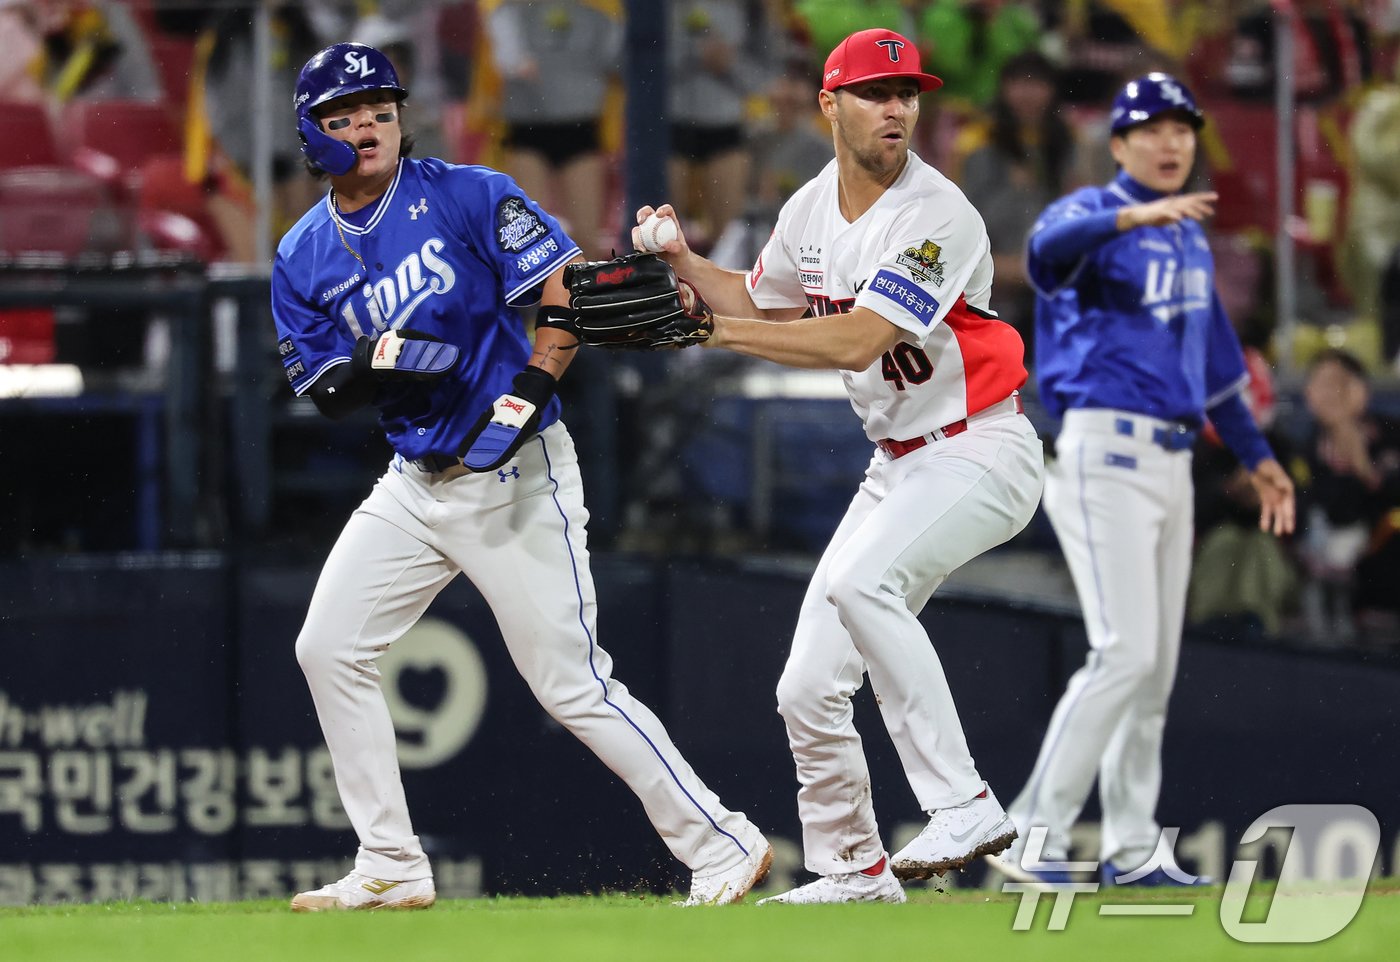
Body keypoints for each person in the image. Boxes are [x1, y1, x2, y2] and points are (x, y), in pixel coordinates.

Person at [270, 42, 771, 912]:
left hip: (515, 469)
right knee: (328, 647)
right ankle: (391, 861)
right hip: (416, 480)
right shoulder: (301, 253)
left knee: (571, 684)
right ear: (313, 134)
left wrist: (531, 388)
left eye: (380, 110)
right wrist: (374, 358)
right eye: (346, 115)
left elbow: (565, 293)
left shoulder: (469, 194)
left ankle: (723, 842)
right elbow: (326, 392)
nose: (368, 126)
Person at [622, 28, 1045, 904]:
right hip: (898, 463)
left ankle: (963, 802)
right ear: (830, 105)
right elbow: (762, 296)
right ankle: (853, 867)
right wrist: (686, 266)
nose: (896, 108)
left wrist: (717, 331)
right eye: (874, 92)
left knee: (863, 589)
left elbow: (859, 337)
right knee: (807, 686)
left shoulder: (939, 213)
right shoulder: (812, 208)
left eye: (908, 93)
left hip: (980, 446)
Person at [991, 73, 1296, 886]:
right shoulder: (1087, 214)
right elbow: (1044, 260)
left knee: (1153, 669)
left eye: (1181, 129)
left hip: (1172, 461)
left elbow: (1221, 370)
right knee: (1123, 652)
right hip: (1102, 451)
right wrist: (1128, 215)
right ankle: (1027, 833)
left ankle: (1131, 848)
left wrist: (1259, 458)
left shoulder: (1190, 237)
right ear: (1119, 144)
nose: (1170, 143)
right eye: (1150, 130)